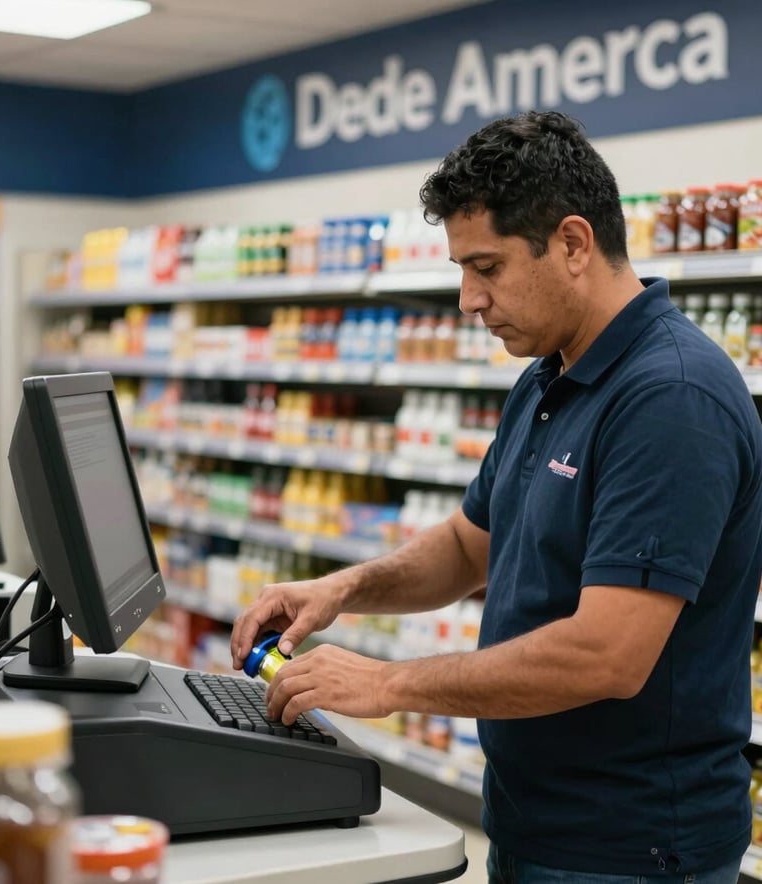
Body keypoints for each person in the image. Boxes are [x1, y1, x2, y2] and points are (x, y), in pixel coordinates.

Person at [231, 110, 762, 882]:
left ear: (574, 245)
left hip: (632, 851)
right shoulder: (550, 377)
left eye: (486, 267)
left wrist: (385, 684)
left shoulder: (670, 398)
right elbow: (466, 547)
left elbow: (606, 656)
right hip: (535, 821)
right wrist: (342, 588)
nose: (467, 301)